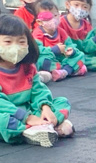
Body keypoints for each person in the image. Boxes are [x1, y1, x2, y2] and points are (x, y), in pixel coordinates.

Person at [0, 13, 75, 147]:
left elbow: (38, 90)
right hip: (9, 113)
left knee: (62, 102)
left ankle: (43, 127)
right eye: (8, 42)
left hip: (28, 110)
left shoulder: (28, 67)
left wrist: (45, 107)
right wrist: (26, 118)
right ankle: (29, 130)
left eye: (21, 42)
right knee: (3, 120)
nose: (15, 47)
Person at [32, 0, 88, 80]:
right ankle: (70, 70)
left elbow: (69, 44)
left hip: (62, 58)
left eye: (55, 15)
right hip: (50, 58)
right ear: (39, 22)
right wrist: (53, 50)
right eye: (47, 17)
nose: (53, 19)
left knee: (80, 54)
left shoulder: (61, 31)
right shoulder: (37, 33)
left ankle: (64, 71)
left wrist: (71, 50)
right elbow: (37, 50)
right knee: (41, 60)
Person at [58, 0, 96, 72]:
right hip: (71, 57)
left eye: (84, 7)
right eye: (76, 5)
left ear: (89, 9)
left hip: (86, 54)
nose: (80, 9)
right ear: (67, 5)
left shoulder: (86, 24)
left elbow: (87, 48)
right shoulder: (60, 23)